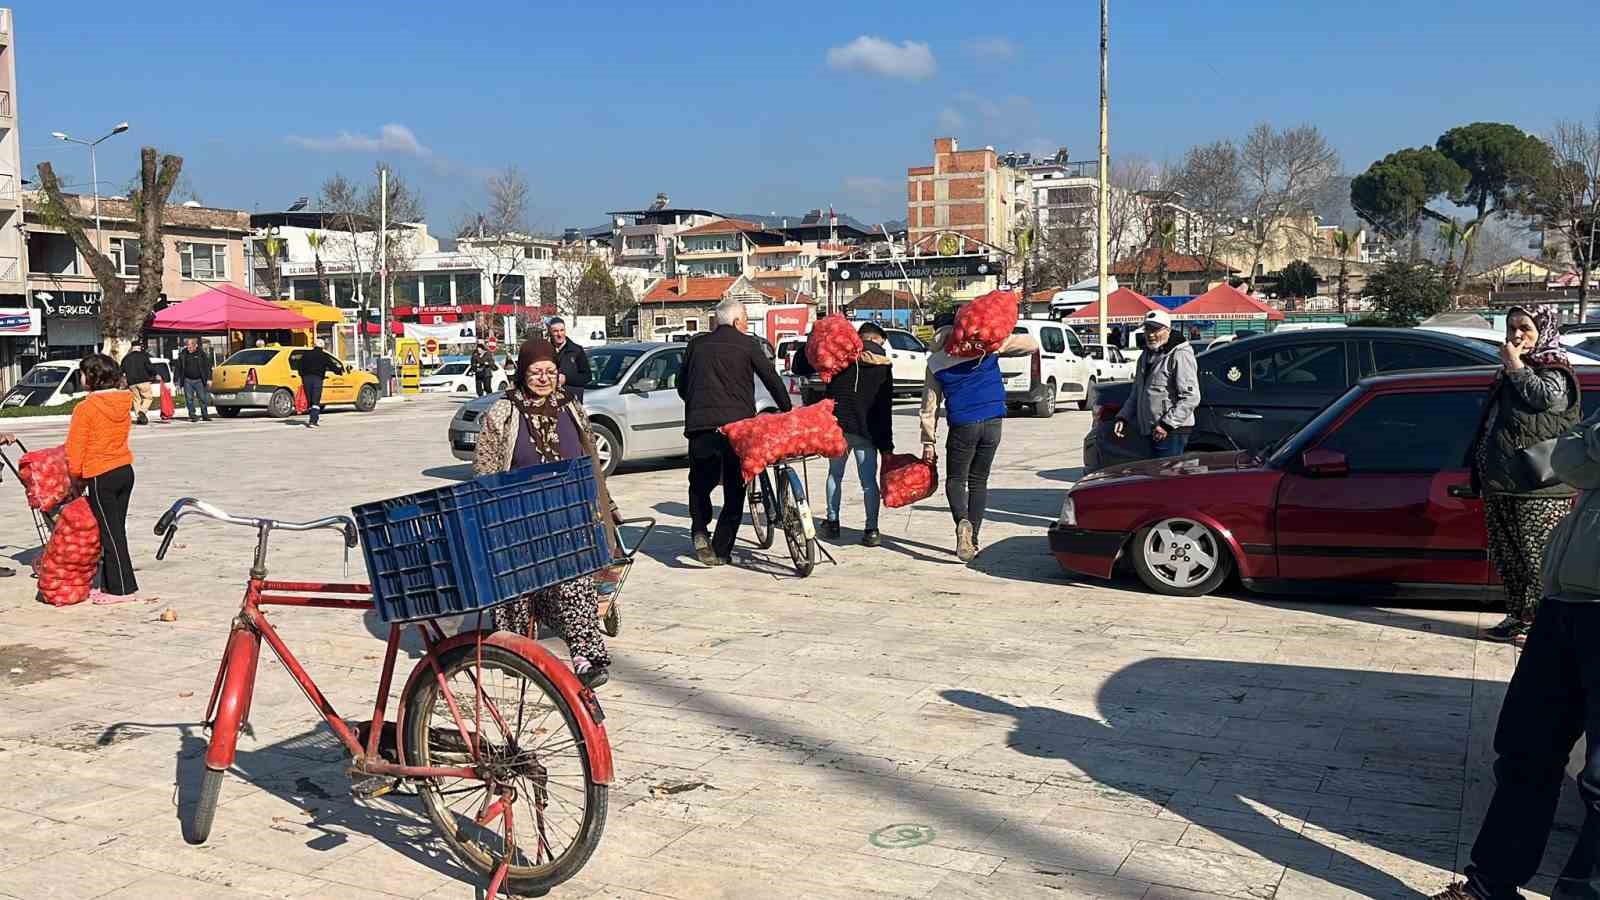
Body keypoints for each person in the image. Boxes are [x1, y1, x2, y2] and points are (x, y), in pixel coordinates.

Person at [1427, 409, 1600, 900]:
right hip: (1566, 600)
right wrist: (1584, 444)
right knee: (1526, 752)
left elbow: (1579, 452)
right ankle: (1490, 886)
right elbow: (1566, 460)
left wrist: (1585, 443)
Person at [473, 336, 621, 688]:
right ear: (523, 372)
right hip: (519, 517)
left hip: (568, 514)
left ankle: (585, 657)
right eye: (536, 372)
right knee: (523, 593)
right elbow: (485, 466)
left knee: (575, 583)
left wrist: (605, 502)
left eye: (550, 372)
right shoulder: (504, 411)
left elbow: (590, 458)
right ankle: (518, 650)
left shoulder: (570, 406)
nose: (543, 379)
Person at [1468, 304, 1582, 645]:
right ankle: (1518, 617)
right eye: (1512, 328)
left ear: (1543, 330)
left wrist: (1515, 365)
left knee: (1537, 560)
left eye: (1525, 328)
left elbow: (1543, 399)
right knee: (1509, 557)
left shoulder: (1556, 370)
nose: (1517, 335)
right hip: (1503, 482)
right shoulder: (1513, 369)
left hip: (1538, 487)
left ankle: (1540, 625)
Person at [678, 298, 791, 566]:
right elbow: (772, 379)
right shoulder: (748, 344)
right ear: (738, 321)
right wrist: (787, 409)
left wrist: (697, 406)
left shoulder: (696, 345)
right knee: (735, 488)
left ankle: (699, 529)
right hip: (737, 429)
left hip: (701, 426)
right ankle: (721, 550)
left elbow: (682, 385)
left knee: (700, 483)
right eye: (747, 319)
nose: (747, 324)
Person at [919, 311, 1039, 563]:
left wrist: (929, 442)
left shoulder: (935, 362)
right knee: (978, 481)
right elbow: (1031, 344)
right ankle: (972, 540)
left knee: (956, 480)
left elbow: (930, 407)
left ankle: (962, 521)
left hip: (963, 424)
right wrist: (995, 339)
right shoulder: (983, 345)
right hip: (993, 420)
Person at [793, 321, 894, 546]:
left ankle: (833, 522)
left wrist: (813, 339)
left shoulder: (840, 355)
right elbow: (884, 407)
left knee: (835, 475)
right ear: (876, 339)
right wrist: (886, 445)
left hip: (838, 428)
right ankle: (872, 530)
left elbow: (801, 366)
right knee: (868, 482)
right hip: (867, 431)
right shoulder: (884, 365)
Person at [64, 354, 140, 604]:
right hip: (124, 470)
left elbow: (75, 448)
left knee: (109, 533)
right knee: (116, 530)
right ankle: (111, 584)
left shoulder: (85, 408)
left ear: (92, 377)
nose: (80, 377)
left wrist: (75, 477)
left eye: (82, 373)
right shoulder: (123, 402)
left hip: (101, 474)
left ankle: (121, 590)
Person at [1113, 309, 1199, 459]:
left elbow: (1191, 397)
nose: (1150, 334)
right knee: (1152, 472)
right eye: (1147, 329)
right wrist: (1123, 417)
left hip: (1171, 431)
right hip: (1149, 429)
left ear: (1167, 330)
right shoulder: (1145, 356)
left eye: (1155, 330)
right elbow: (1137, 393)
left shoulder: (1180, 354)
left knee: (1166, 472)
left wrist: (1166, 425)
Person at [297, 339, 345, 429]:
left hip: (306, 379)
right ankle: (313, 421)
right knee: (316, 400)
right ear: (322, 346)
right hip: (317, 379)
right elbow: (332, 366)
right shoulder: (324, 355)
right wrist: (339, 371)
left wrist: (302, 376)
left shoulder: (306, 354)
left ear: (314, 345)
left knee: (310, 400)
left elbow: (299, 366)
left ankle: (312, 418)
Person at [546, 317, 593, 401]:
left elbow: (587, 377)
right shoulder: (545, 350)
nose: (559, 334)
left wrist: (566, 379)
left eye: (562, 330)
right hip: (549, 398)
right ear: (550, 332)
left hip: (572, 398)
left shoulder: (577, 350)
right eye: (555, 331)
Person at [119, 339, 157, 426]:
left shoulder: (126, 358)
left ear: (132, 348)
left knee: (136, 400)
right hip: (143, 380)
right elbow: (150, 368)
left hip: (131, 382)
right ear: (139, 347)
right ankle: (142, 412)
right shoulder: (144, 356)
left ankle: (140, 419)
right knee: (148, 398)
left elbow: (121, 371)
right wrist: (154, 374)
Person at [175, 337, 213, 422]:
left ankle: (205, 415)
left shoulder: (201, 354)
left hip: (199, 380)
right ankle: (192, 415)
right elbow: (178, 368)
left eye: (190, 346)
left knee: (202, 398)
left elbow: (208, 367)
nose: (188, 348)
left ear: (195, 346)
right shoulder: (183, 354)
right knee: (189, 399)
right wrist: (176, 381)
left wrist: (209, 379)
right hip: (187, 380)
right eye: (187, 346)